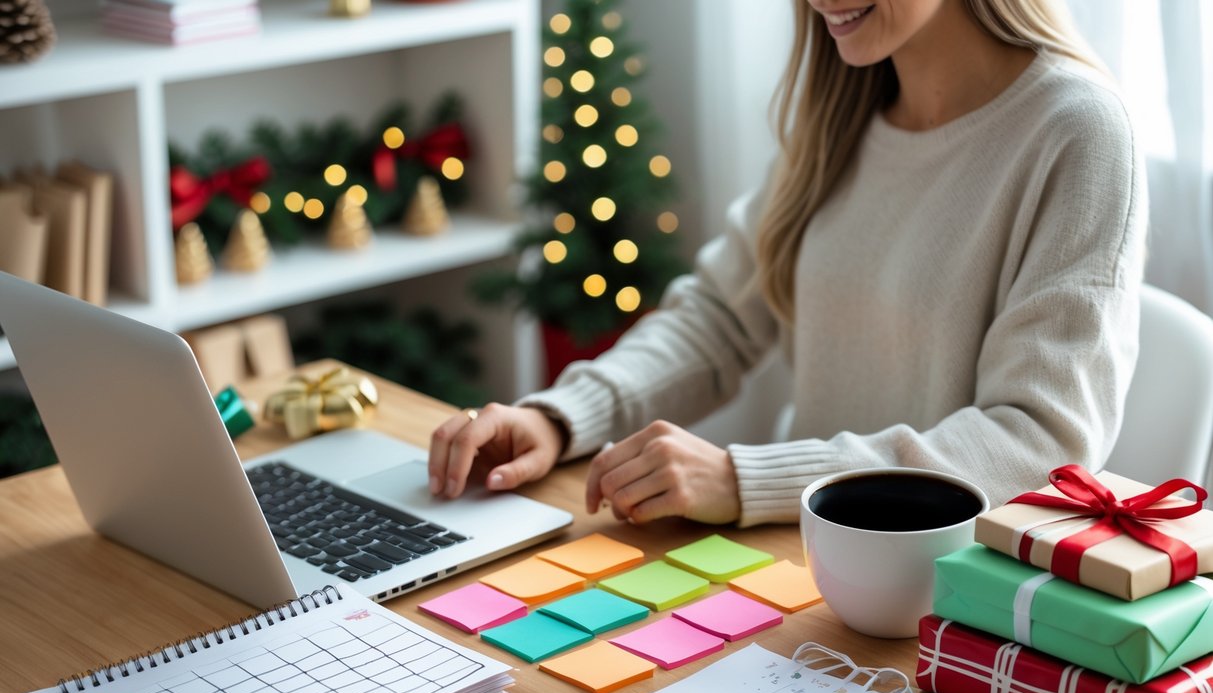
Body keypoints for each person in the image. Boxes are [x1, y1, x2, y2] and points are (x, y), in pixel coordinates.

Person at [428, 0, 1146, 528]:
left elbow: (1034, 442)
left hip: (942, 607)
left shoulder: (1076, 131)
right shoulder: (843, 109)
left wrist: (750, 481)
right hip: (802, 568)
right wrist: (562, 417)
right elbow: (717, 319)